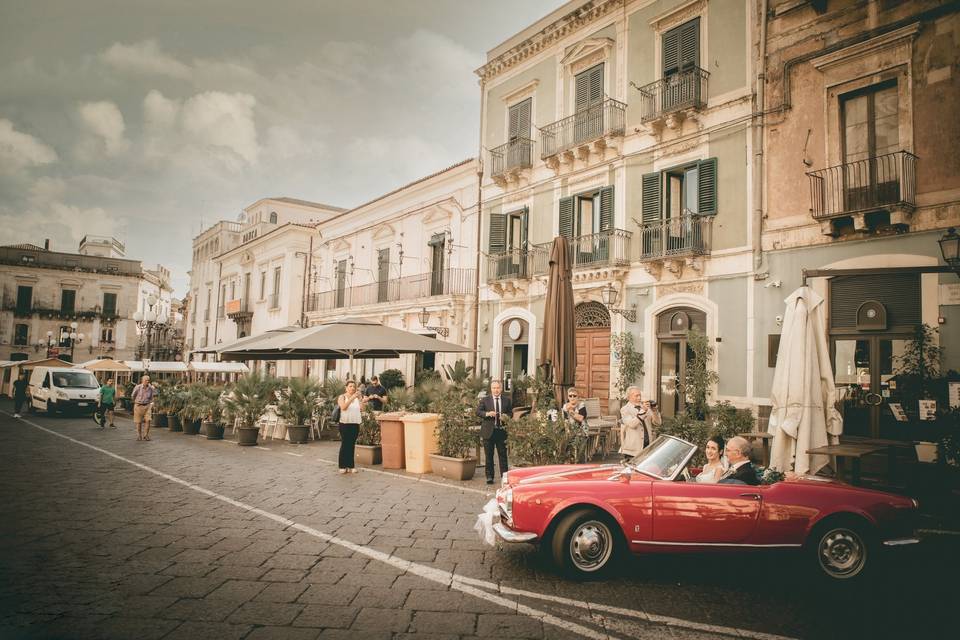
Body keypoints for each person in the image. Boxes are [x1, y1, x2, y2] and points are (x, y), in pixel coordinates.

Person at [477, 379, 512, 485]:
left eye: (497, 388)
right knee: (489, 456)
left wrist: (505, 417)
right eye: (494, 388)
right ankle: (489, 477)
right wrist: (487, 414)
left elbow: (510, 413)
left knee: (503, 456)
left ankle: (504, 477)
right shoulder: (485, 400)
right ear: (491, 389)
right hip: (488, 431)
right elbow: (478, 412)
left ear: (501, 389)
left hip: (501, 431)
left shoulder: (507, 400)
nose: (496, 390)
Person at [619, 386, 658, 460]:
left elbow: (657, 423)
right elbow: (632, 424)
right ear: (629, 397)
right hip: (633, 450)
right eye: (636, 395)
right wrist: (643, 411)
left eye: (640, 395)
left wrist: (654, 411)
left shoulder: (645, 408)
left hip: (647, 448)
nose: (639, 398)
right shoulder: (624, 410)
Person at [337, 379, 365, 474]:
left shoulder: (357, 398)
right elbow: (343, 407)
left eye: (354, 386)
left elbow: (362, 409)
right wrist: (352, 398)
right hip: (345, 423)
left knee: (352, 445)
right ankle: (342, 466)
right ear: (346, 388)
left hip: (355, 423)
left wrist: (361, 399)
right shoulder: (342, 397)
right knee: (345, 444)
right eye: (350, 386)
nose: (352, 388)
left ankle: (351, 466)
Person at [131, 375, 155, 441]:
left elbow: (152, 397)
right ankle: (139, 435)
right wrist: (136, 403)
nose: (147, 381)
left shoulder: (151, 388)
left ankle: (146, 435)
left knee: (148, 420)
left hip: (147, 406)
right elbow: (133, 396)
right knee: (138, 422)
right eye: (146, 380)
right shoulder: (138, 387)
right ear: (142, 381)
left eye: (148, 380)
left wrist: (151, 404)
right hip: (138, 406)